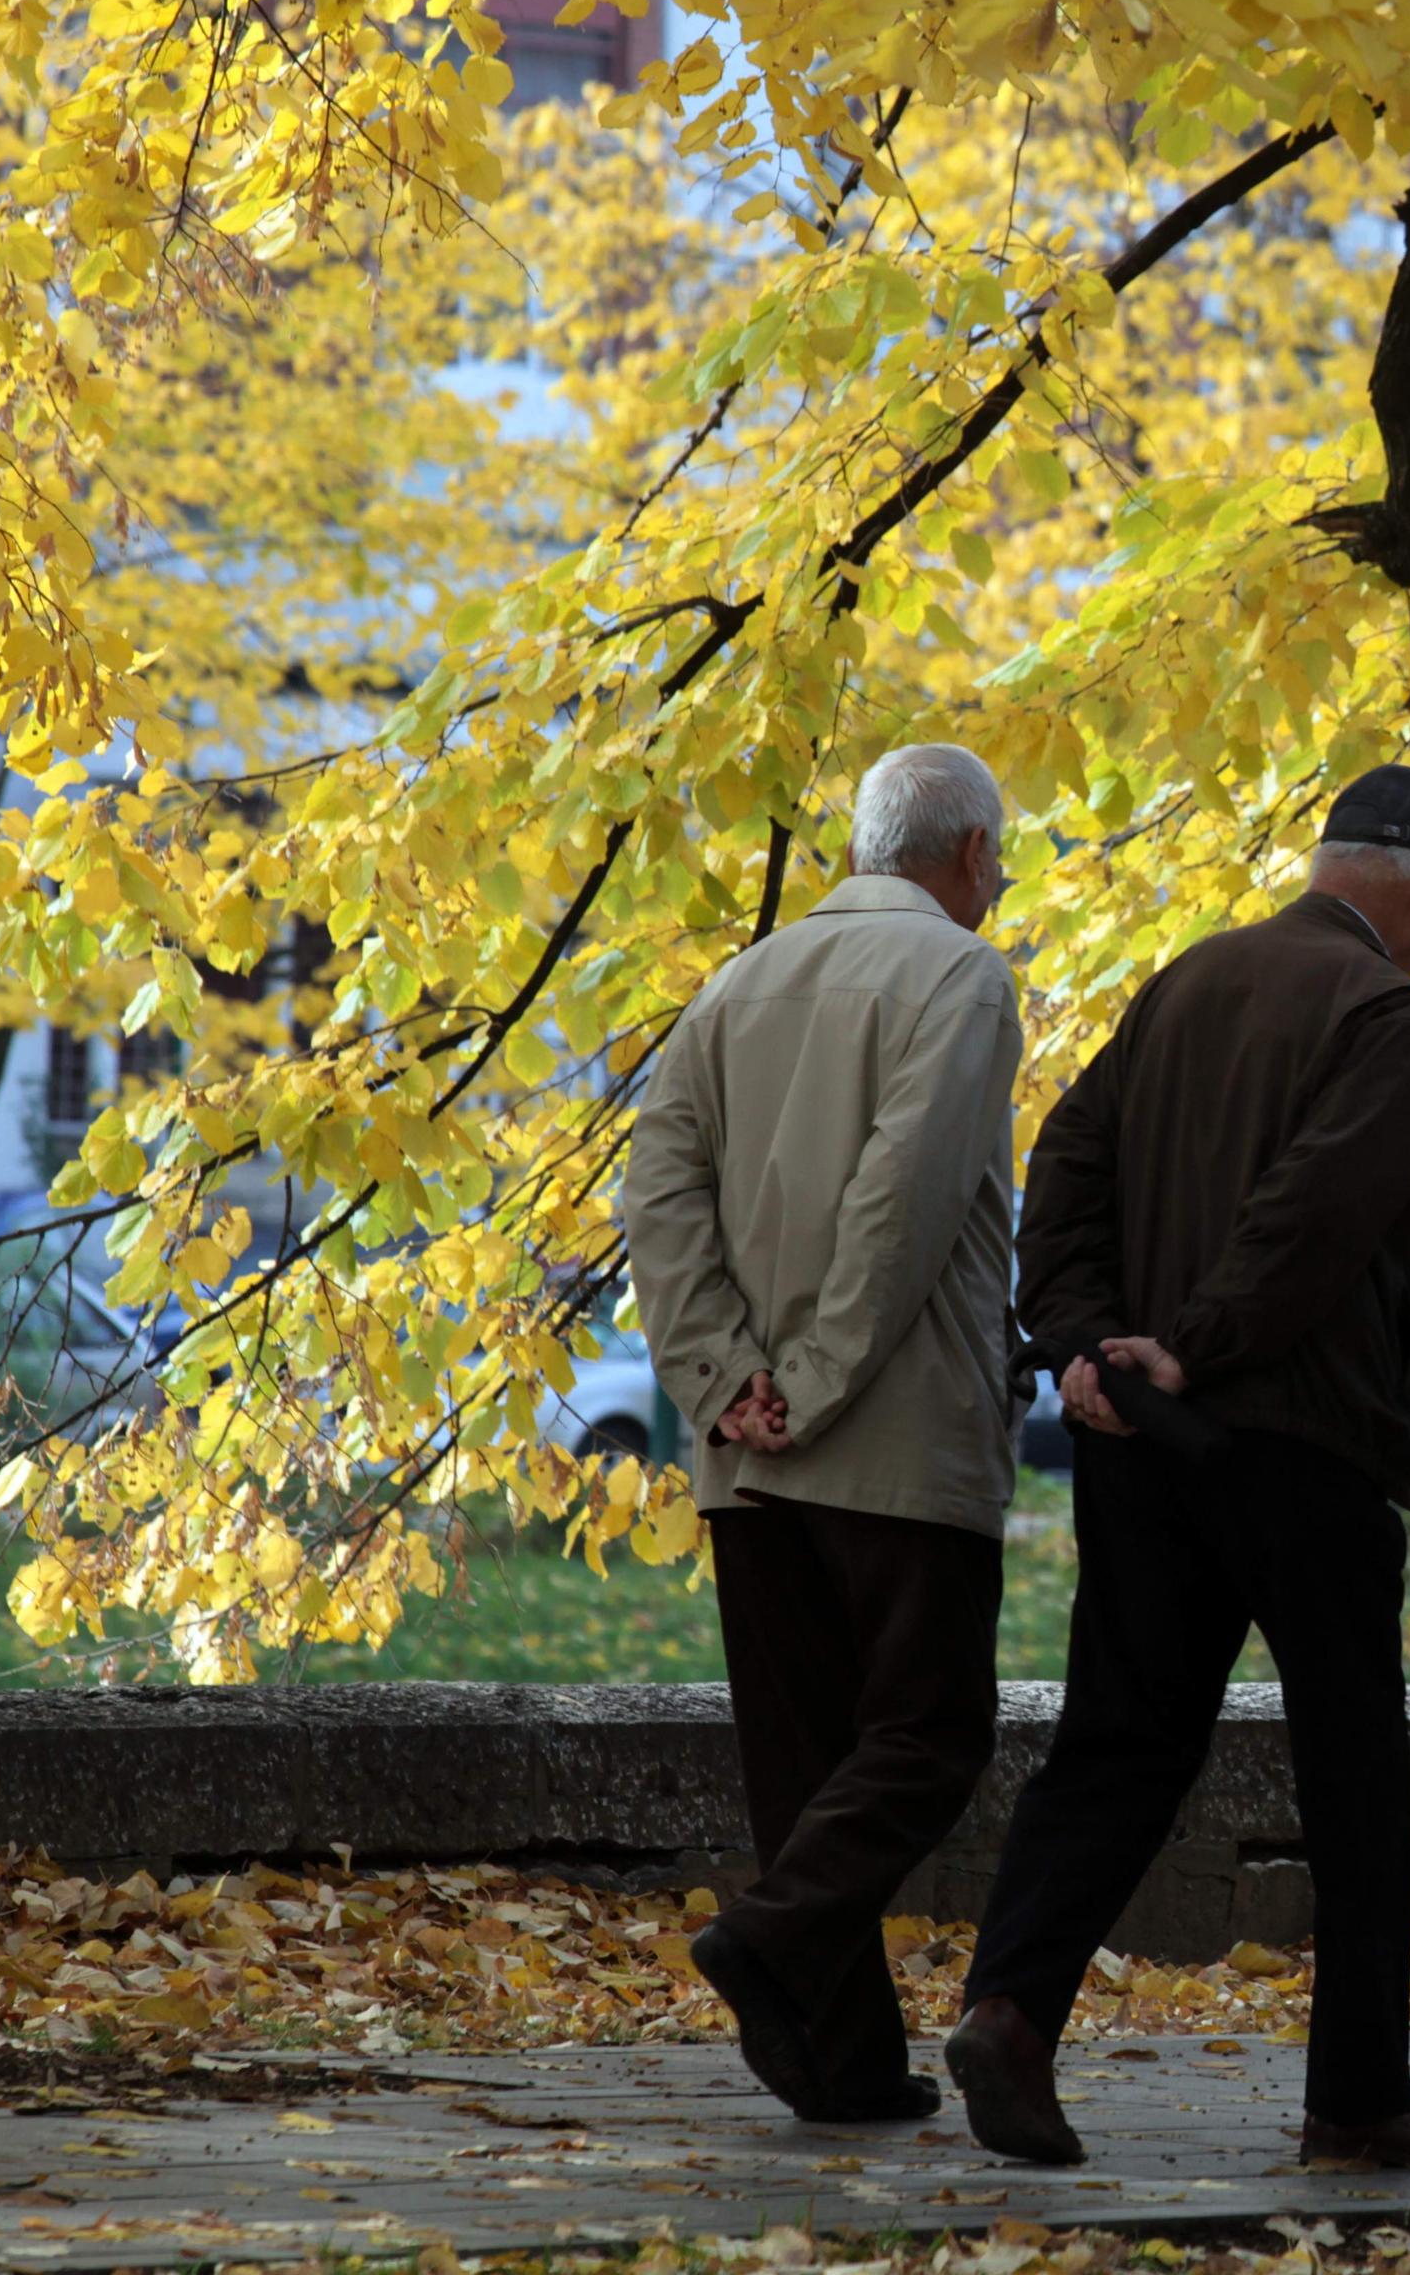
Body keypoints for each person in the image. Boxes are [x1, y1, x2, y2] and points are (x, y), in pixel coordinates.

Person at [941, 766, 1410, 2175]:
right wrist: (1189, 1345)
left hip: (1143, 1443)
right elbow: (1316, 1215)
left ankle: (1009, 2008)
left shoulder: (1185, 980)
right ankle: (1358, 2098)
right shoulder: (1390, 1018)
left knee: (1119, 1742)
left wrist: (1078, 1344)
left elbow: (1067, 1160)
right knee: (1355, 1771)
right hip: (1297, 1445)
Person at [622, 741, 1027, 2124]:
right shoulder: (964, 977)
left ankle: (846, 2068)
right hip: (899, 1437)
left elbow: (660, 1198)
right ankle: (773, 1938)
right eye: (1002, 853)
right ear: (971, 855)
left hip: (748, 1454)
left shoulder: (731, 988)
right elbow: (905, 1198)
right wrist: (817, 1376)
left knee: (802, 1766)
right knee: (929, 1736)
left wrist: (724, 1379)